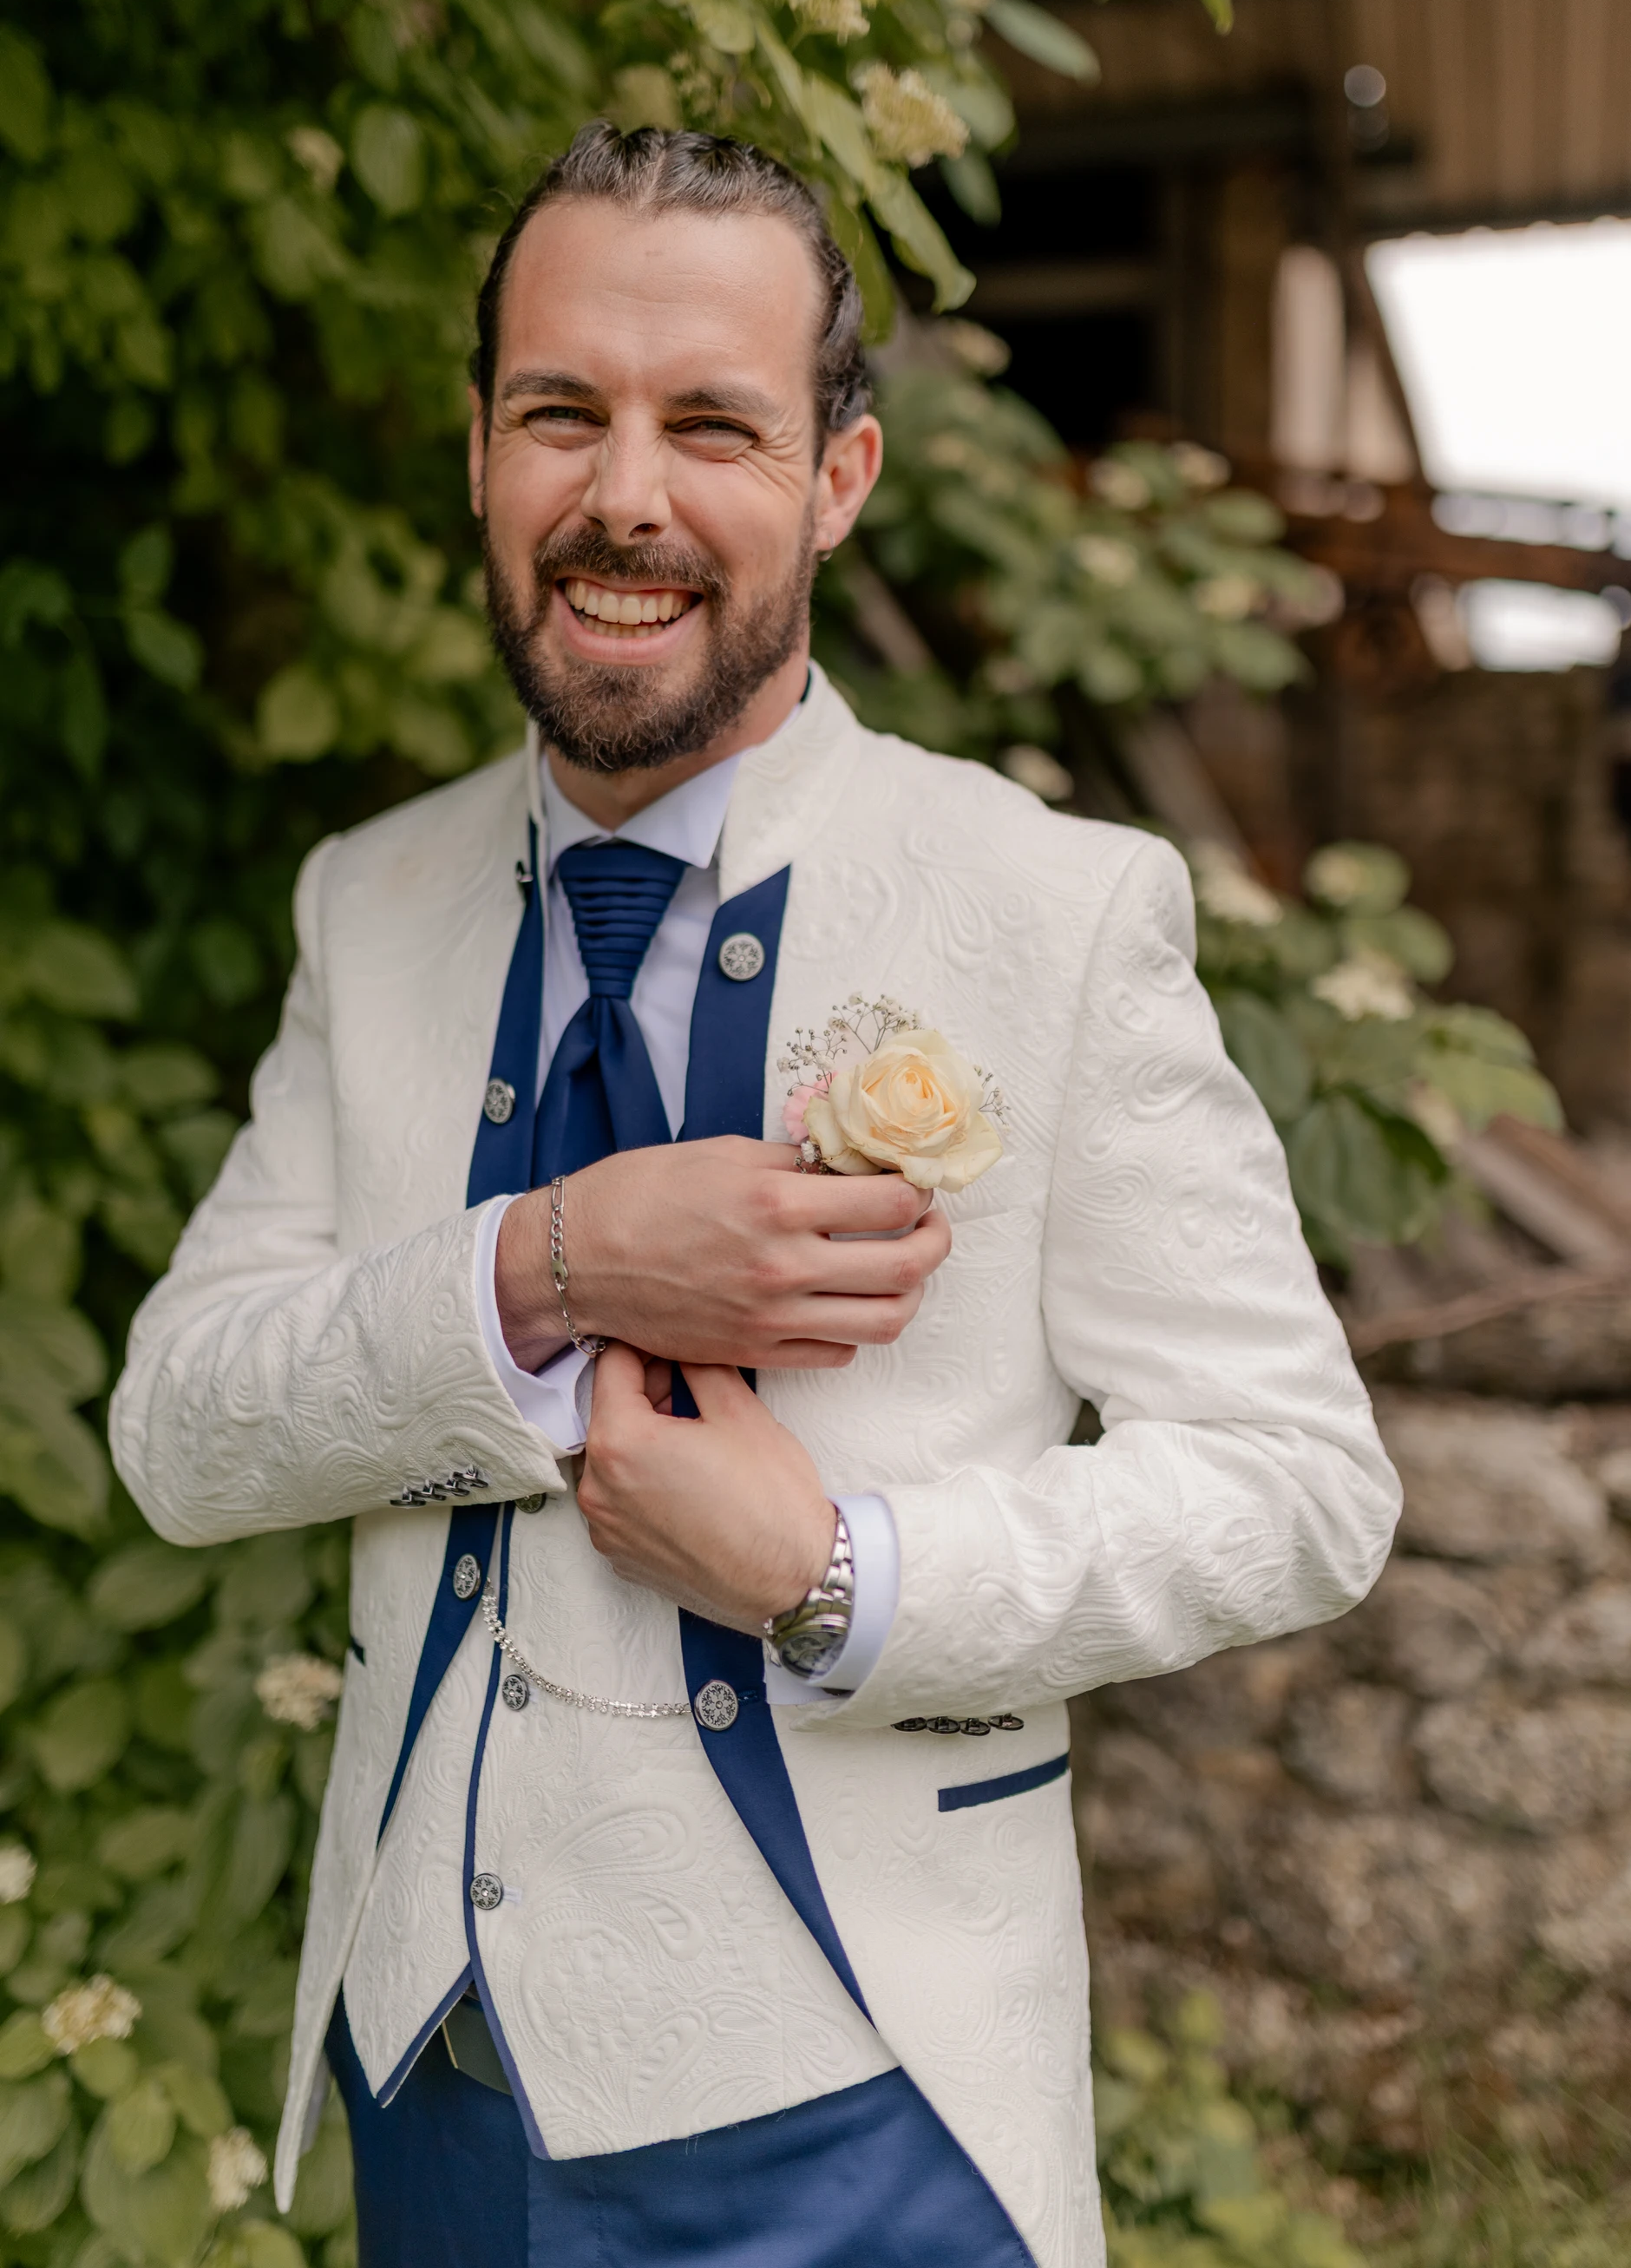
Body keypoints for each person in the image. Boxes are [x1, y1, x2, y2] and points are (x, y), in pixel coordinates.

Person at [111, 124, 1399, 2268]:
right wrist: (553, 1263)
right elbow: (176, 1430)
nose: (624, 495)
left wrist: (847, 1574)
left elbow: (1296, 1483)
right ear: (481, 455)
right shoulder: (375, 901)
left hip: (861, 2116)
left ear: (837, 476)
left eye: (711, 421)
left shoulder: (1055, 912)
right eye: (562, 414)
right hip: (431, 2081)